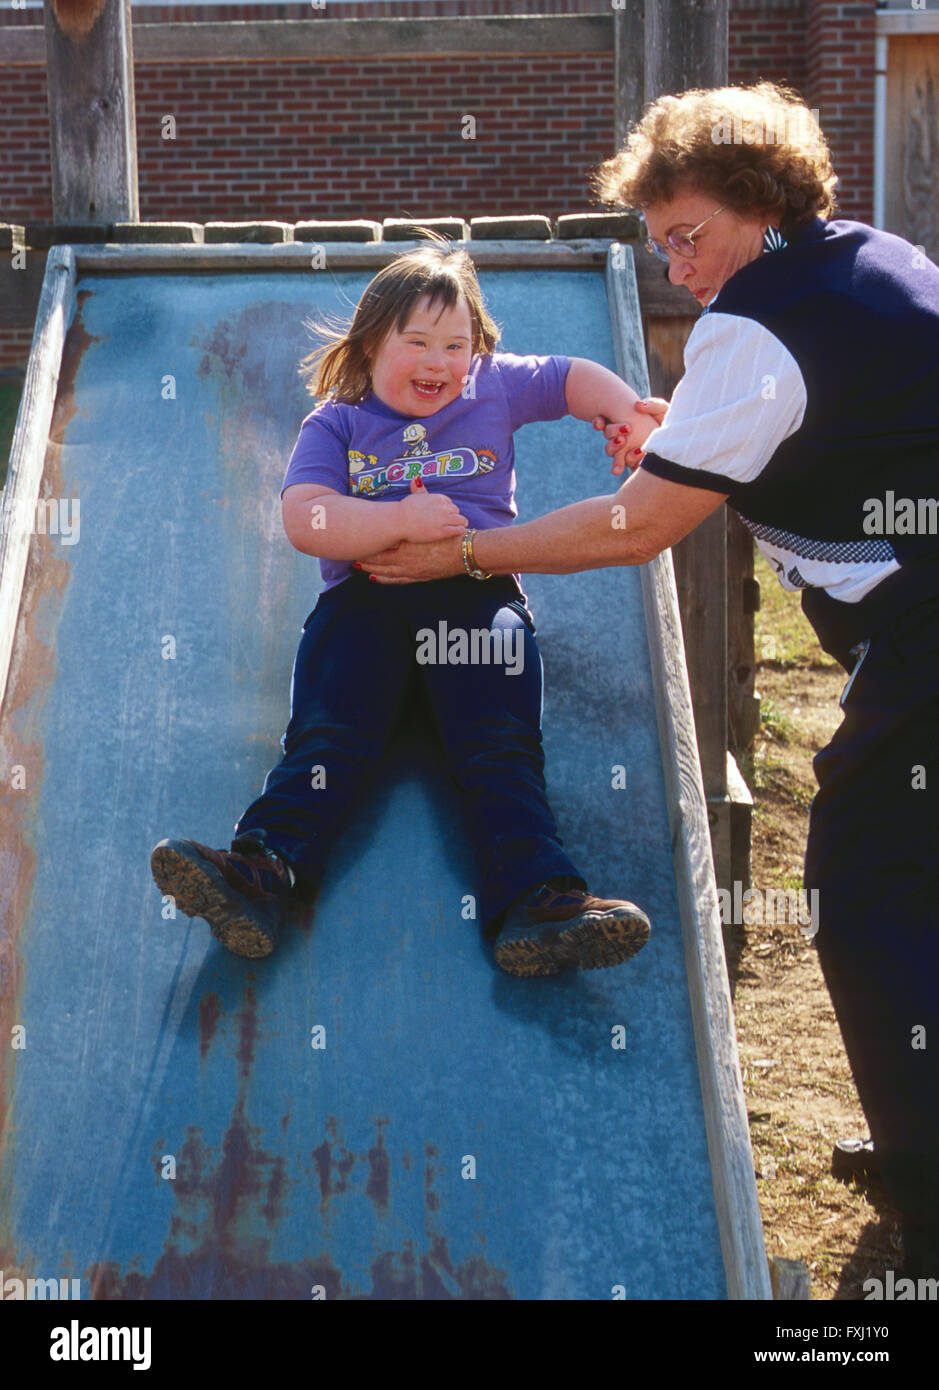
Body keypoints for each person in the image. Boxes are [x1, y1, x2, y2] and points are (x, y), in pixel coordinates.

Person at [358, 85, 939, 1279]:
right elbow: (820, 423)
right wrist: (697, 432)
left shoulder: (760, 322)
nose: (676, 266)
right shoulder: (868, 259)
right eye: (660, 241)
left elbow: (636, 527)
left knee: (864, 883)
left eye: (692, 234)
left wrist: (461, 549)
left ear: (762, 203)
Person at [150, 238, 663, 979]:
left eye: (455, 344)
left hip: (475, 596)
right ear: (369, 344)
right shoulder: (338, 423)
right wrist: (397, 521)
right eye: (416, 341)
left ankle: (536, 903)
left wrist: (624, 415)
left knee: (500, 747)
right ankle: (259, 875)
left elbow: (572, 380)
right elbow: (306, 517)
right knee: (328, 739)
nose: (438, 361)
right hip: (370, 603)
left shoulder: (492, 388)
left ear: (477, 351)